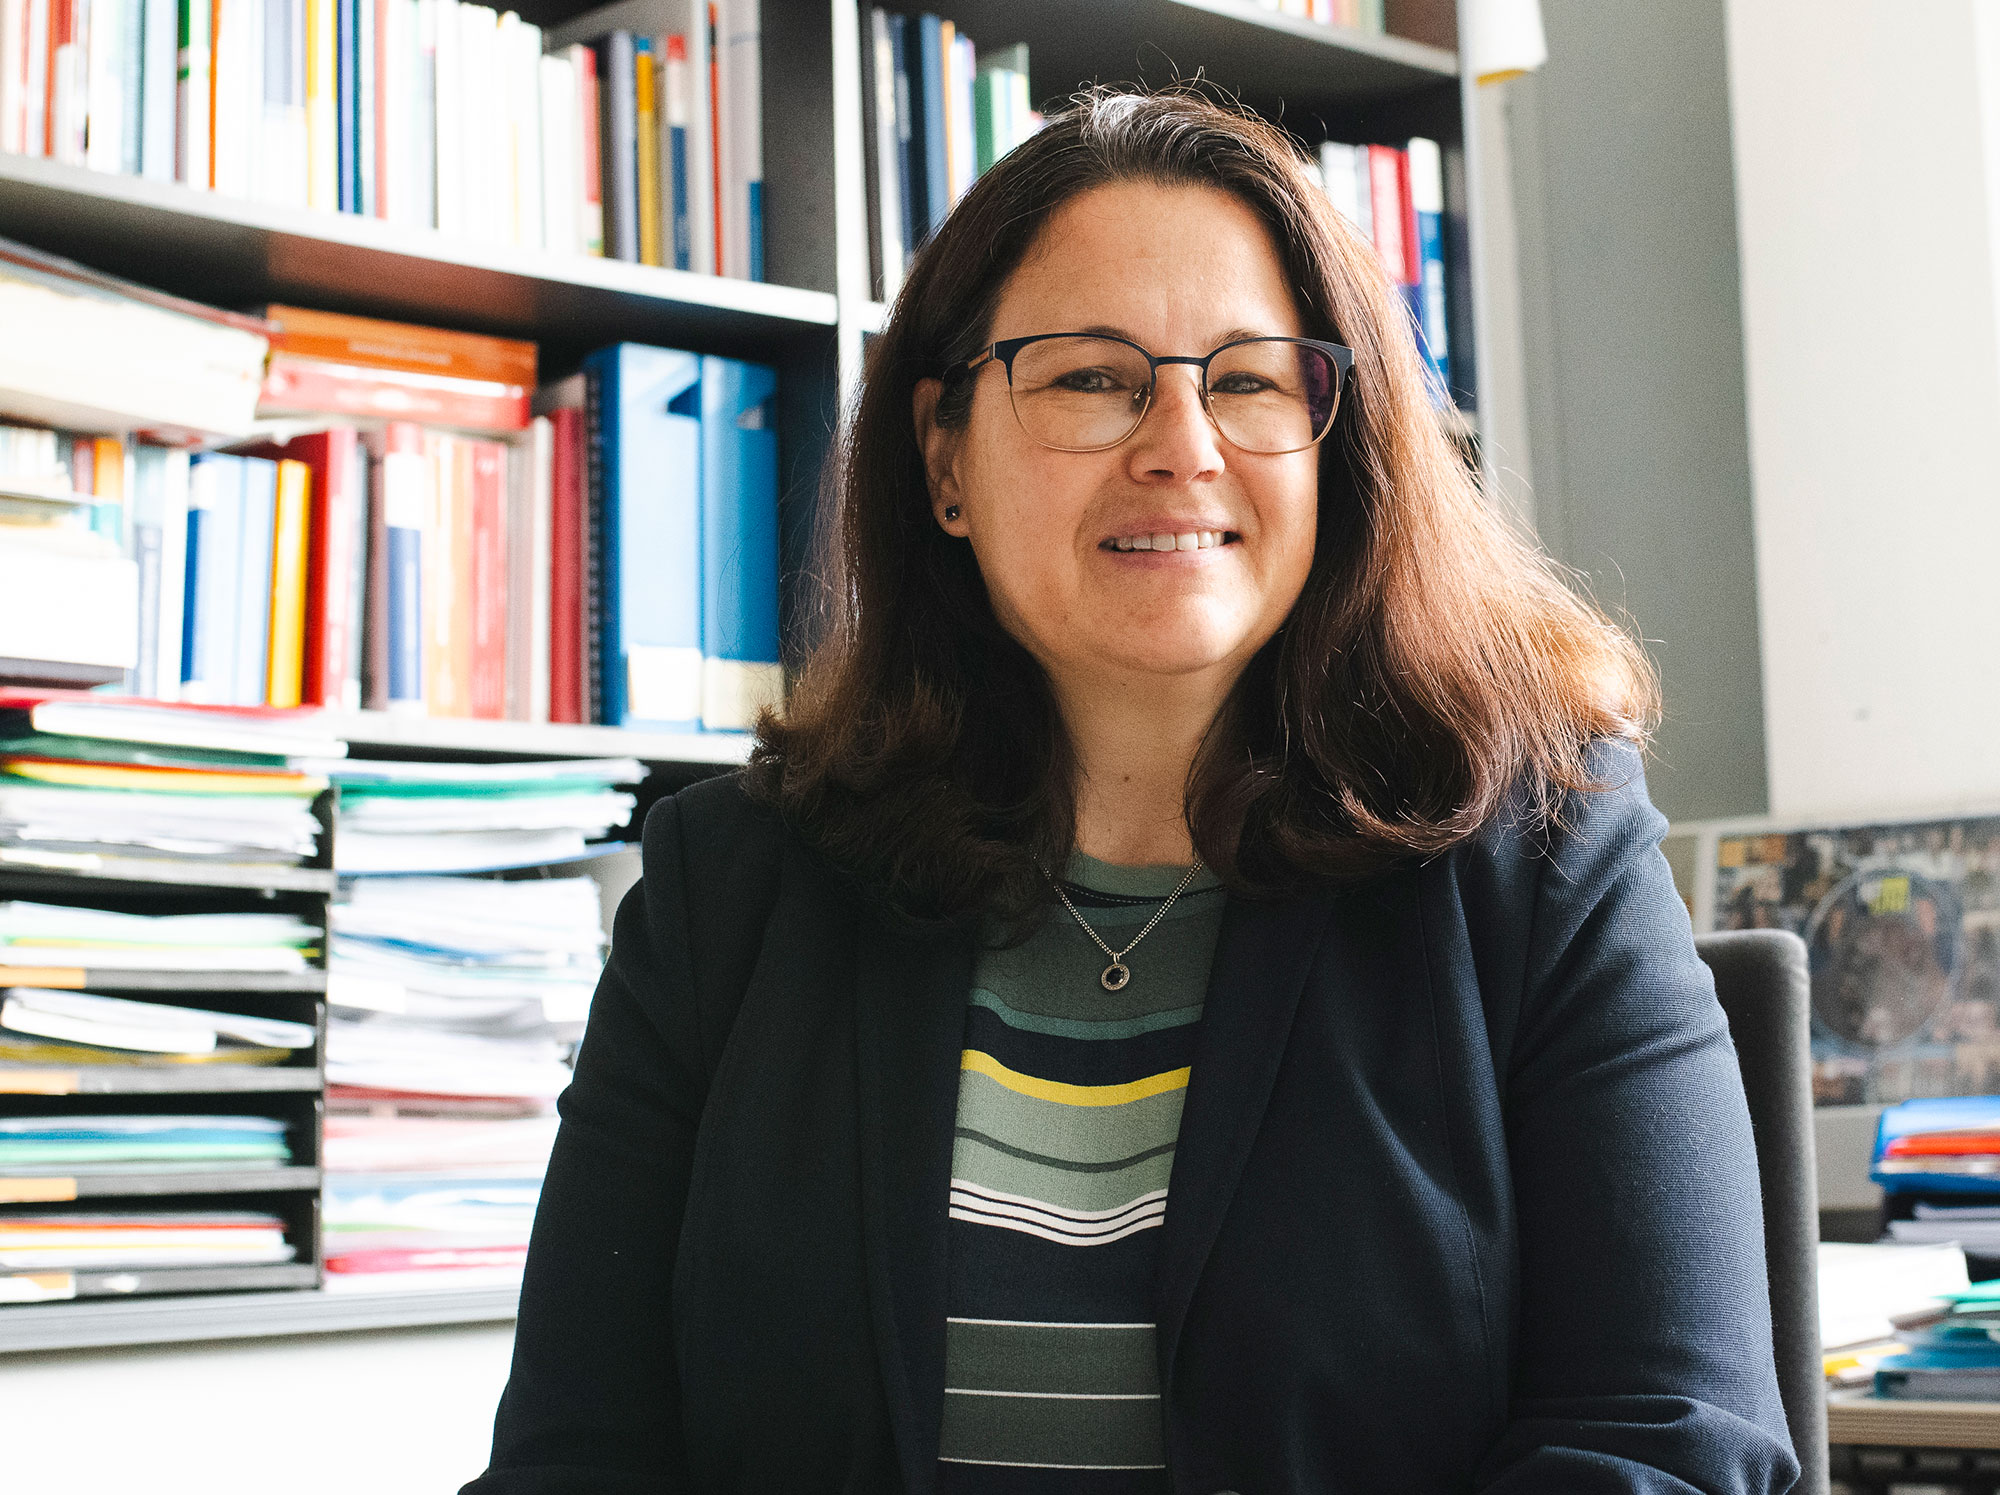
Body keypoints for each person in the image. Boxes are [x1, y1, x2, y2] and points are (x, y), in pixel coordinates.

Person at [463, 87, 1799, 1494]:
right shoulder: (727, 895)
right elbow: (575, 1459)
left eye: (1248, 378)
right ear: (942, 457)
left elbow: (1672, 1444)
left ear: (1339, 450)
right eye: (1093, 377)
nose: (1180, 442)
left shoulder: (1545, 856)